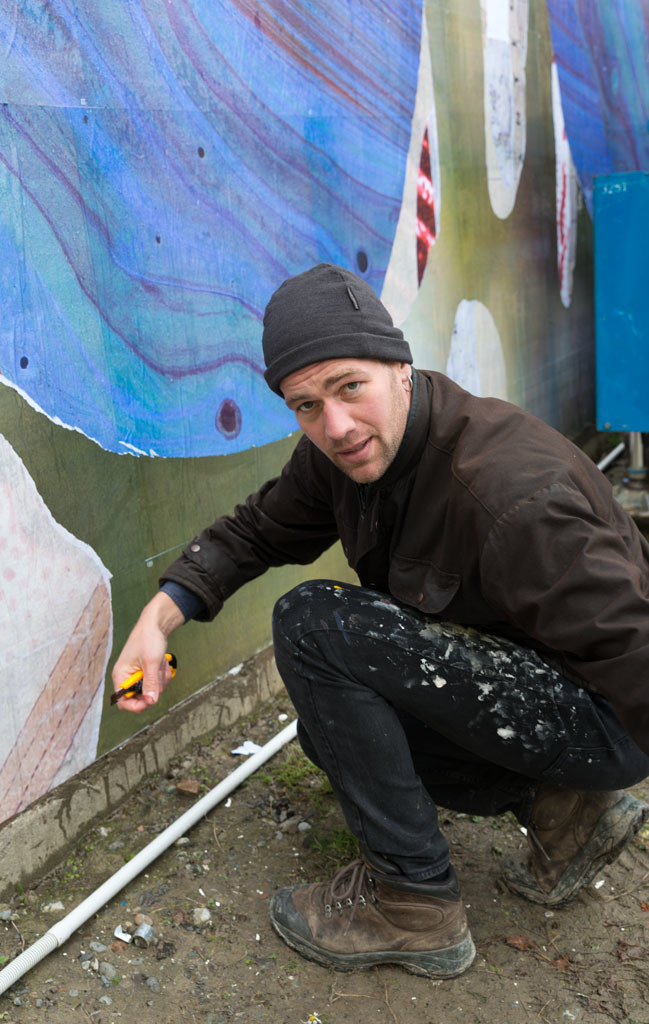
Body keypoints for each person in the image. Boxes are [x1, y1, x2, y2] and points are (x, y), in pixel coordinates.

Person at [113, 263, 649, 980]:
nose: (333, 426)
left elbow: (632, 651)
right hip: (538, 684)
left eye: (347, 388)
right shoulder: (349, 454)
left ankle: (413, 905)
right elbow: (255, 532)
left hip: (601, 711)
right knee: (330, 733)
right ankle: (565, 808)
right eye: (305, 406)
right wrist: (157, 621)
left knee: (314, 622)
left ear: (399, 366)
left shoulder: (511, 498)